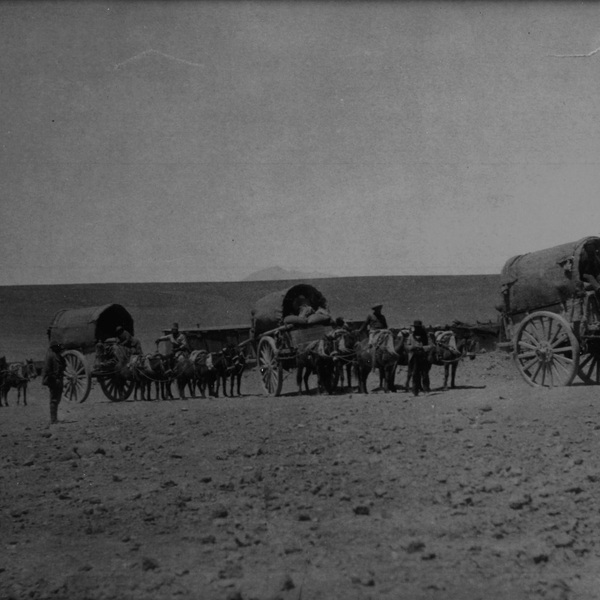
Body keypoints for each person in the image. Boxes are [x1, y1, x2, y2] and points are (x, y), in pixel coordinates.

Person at [359, 304, 390, 372]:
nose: (379, 310)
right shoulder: (370, 316)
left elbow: (385, 326)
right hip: (373, 331)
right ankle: (370, 355)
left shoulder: (382, 317)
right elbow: (365, 324)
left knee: (389, 339)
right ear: (375, 310)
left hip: (382, 331)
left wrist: (386, 330)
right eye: (377, 309)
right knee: (371, 343)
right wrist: (360, 330)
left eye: (380, 309)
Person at [42, 342, 66, 424]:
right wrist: (53, 379)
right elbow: (47, 370)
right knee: (54, 400)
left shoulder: (59, 356)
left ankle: (55, 418)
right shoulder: (50, 356)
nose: (59, 348)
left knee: (58, 399)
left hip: (59, 380)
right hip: (53, 380)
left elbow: (64, 365)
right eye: (57, 347)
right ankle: (53, 419)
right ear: (54, 348)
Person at [406, 320, 431, 397]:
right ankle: (415, 391)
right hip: (414, 357)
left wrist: (423, 348)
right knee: (415, 374)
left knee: (425, 374)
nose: (417, 329)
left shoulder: (425, 336)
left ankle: (426, 389)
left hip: (423, 356)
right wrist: (412, 347)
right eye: (416, 327)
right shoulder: (410, 336)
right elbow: (407, 346)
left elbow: (431, 346)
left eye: (418, 328)